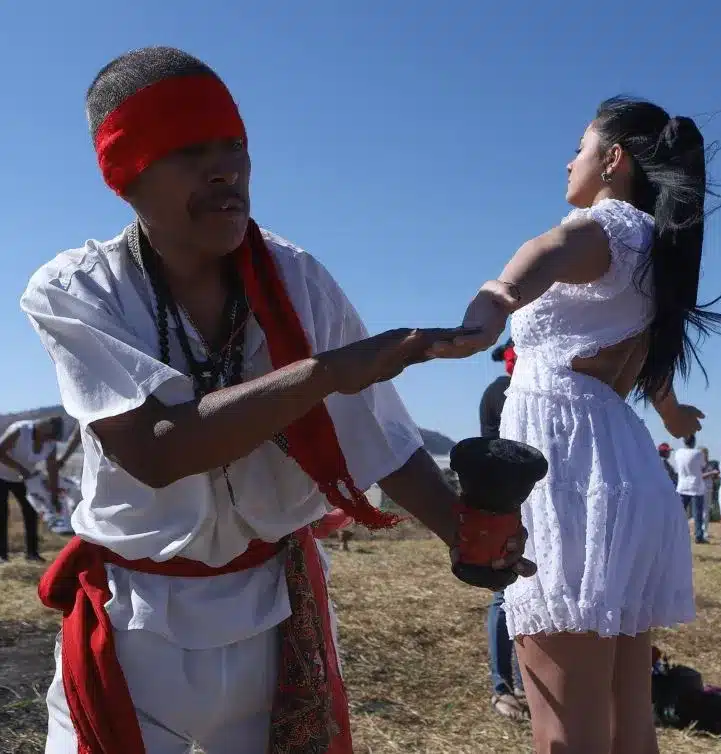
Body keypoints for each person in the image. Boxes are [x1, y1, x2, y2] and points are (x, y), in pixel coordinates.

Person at [23, 47, 529, 754]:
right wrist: (324, 372)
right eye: (190, 151)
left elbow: (377, 434)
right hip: (136, 622)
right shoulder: (79, 290)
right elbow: (158, 448)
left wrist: (462, 533)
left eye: (234, 147)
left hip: (273, 614)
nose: (225, 169)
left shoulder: (295, 278)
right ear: (126, 174)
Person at [433, 96, 721, 754]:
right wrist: (670, 411)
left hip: (568, 471)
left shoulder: (600, 228)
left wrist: (483, 319)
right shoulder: (653, 249)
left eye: (579, 147)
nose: (567, 161)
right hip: (619, 466)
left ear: (613, 159)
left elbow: (534, 257)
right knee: (626, 716)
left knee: (566, 729)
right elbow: (632, 362)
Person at [480, 339, 528, 719]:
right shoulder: (500, 393)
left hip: (542, 504)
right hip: (509, 504)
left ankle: (529, 680)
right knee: (503, 595)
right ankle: (502, 685)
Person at [0, 416, 64, 562]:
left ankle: (32, 554)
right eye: (48, 437)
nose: (49, 441)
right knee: (2, 513)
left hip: (24, 479)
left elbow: (52, 469)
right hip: (1, 475)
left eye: (52, 438)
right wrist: (19, 468)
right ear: (42, 429)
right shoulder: (21, 430)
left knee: (31, 512)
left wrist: (54, 496)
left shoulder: (51, 444)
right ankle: (2, 555)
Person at [673, 435, 710, 544]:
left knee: (679, 513)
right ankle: (699, 535)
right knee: (697, 514)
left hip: (682, 486)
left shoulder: (678, 452)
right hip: (695, 486)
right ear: (694, 442)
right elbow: (703, 466)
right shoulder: (698, 453)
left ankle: (674, 533)